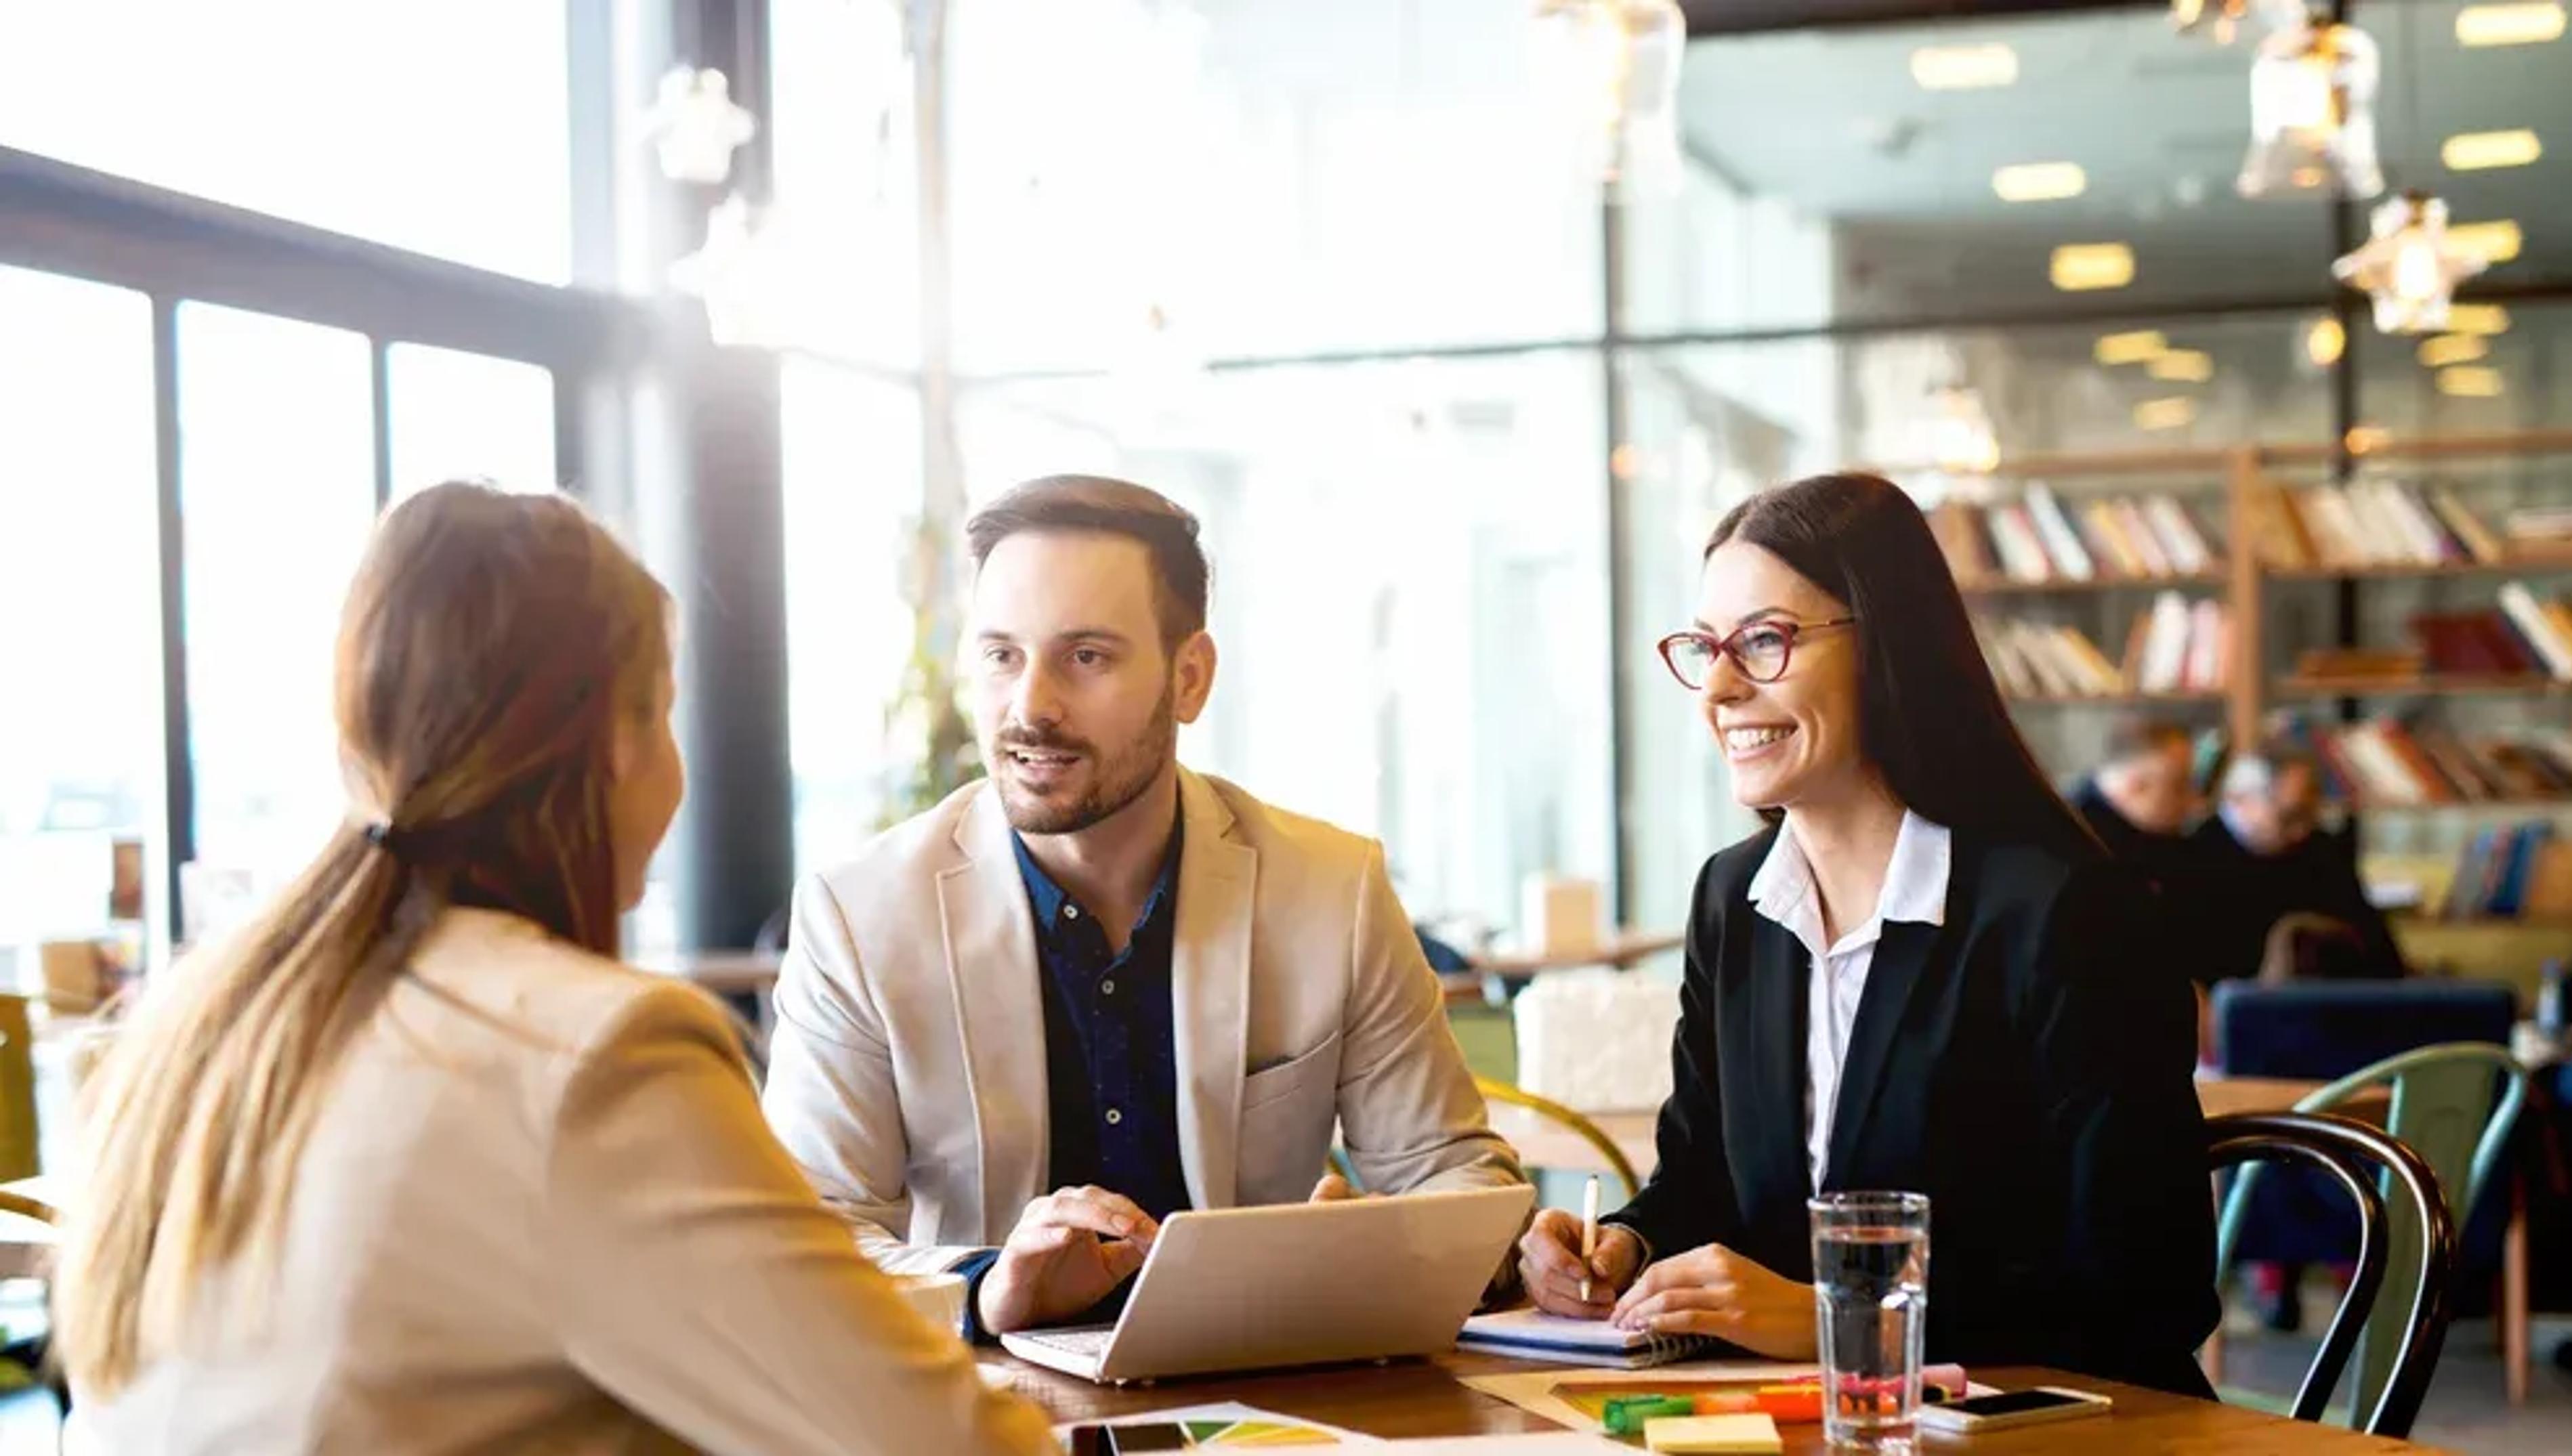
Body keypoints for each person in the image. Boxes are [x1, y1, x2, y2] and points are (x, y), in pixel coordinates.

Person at [57, 485, 1054, 1455]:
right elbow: (933, 1441)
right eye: (663, 713)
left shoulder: (220, 1012)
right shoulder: (594, 1054)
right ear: (613, 746)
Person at [763, 474, 1523, 1338]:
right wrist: (985, 1287)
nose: (1030, 706)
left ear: (1190, 677)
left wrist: (1379, 1243)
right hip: (990, 1414)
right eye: (1002, 654)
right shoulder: (860, 915)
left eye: (1086, 656)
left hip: (1271, 1405)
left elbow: (1457, 1178)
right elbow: (801, 1244)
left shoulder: (1330, 890)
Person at [1511, 473, 2220, 1397]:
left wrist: (1828, 1316)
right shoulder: (1734, 902)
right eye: (1705, 647)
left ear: (1887, 646)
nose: (1719, 687)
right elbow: (1702, 1181)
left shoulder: (2069, 911)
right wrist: (1619, 1244)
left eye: (1764, 640)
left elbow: (2145, 1291)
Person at [2186, 748, 2408, 985]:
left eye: (2311, 815)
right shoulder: (2194, 860)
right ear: (2241, 801)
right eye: (2290, 816)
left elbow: (2383, 958)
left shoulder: (2321, 849)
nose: (2303, 831)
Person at [2068, 716, 2197, 877]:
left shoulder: (2149, 830)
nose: (2193, 802)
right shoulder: (2078, 843)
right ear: (2134, 786)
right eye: (2178, 786)